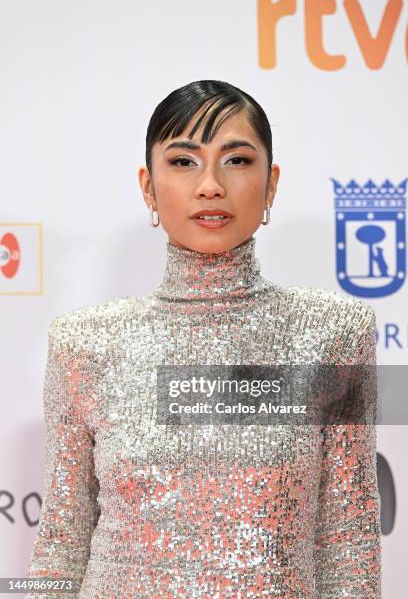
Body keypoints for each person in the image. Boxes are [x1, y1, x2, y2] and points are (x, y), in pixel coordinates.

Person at [25, 79, 381, 597]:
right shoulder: (83, 343)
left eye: (236, 160)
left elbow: (348, 540)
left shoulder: (336, 332)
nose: (210, 184)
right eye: (184, 161)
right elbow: (62, 537)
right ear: (148, 187)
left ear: (271, 183)